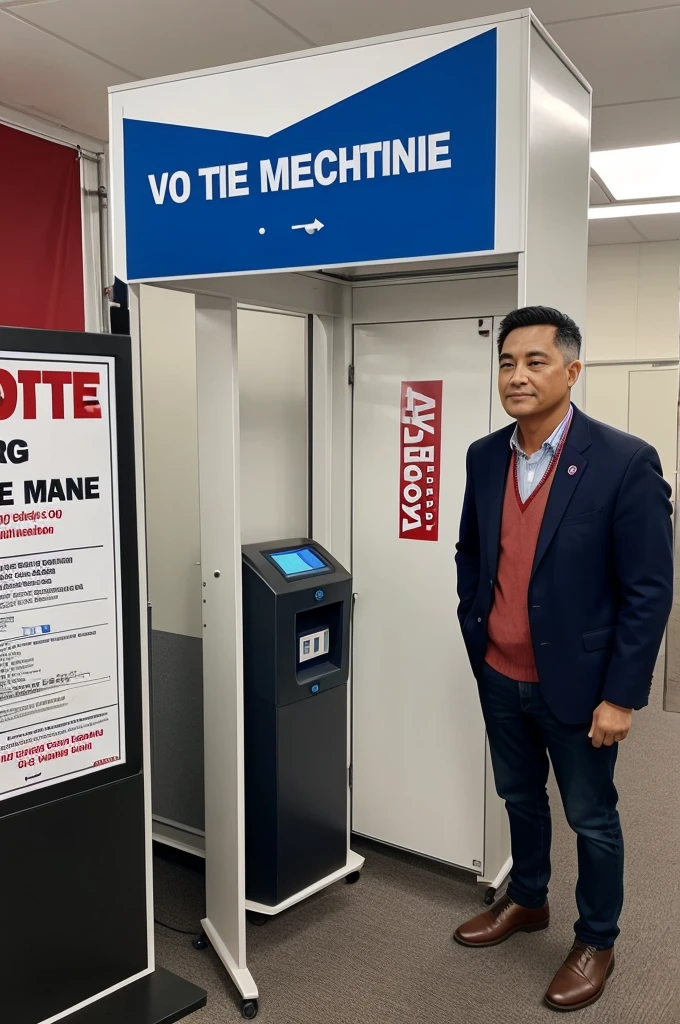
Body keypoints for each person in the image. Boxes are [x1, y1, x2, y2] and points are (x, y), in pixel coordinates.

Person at [453, 306, 673, 1012]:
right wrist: (477, 631)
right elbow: (472, 552)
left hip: (579, 686)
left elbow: (649, 590)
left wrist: (622, 695)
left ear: (572, 371)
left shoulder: (624, 461)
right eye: (507, 362)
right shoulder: (485, 456)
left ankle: (597, 938)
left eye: (535, 362)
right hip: (500, 674)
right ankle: (528, 900)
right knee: (519, 799)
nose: (517, 376)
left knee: (591, 816)